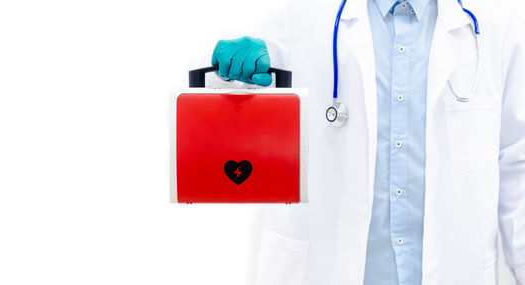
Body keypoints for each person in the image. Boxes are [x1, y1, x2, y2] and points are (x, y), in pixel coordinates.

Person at [207, 0, 525, 284]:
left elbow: (517, 165)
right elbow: (214, 103)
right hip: (326, 269)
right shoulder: (302, 14)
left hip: (455, 271)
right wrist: (228, 74)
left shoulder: (496, 24)